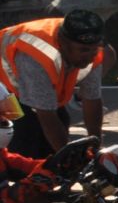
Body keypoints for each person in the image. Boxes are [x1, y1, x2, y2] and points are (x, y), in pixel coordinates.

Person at [0, 9, 107, 158]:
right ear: (63, 44)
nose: (90, 56)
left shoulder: (92, 52)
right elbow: (46, 115)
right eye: (83, 50)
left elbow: (92, 99)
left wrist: (95, 148)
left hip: (25, 83)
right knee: (25, 132)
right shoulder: (35, 55)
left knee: (61, 120)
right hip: (4, 90)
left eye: (94, 50)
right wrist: (70, 159)